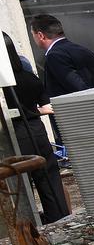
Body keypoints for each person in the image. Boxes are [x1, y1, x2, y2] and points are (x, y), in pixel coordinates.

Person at [2, 32, 71, 223]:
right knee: (49, 177)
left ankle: (29, 223)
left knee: (20, 185)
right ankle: (59, 216)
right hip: (37, 130)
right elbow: (45, 104)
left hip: (15, 134)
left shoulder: (6, 84)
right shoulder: (28, 77)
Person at [28, 14, 94, 96]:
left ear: (40, 35)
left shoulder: (54, 56)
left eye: (32, 34)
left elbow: (80, 90)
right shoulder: (83, 49)